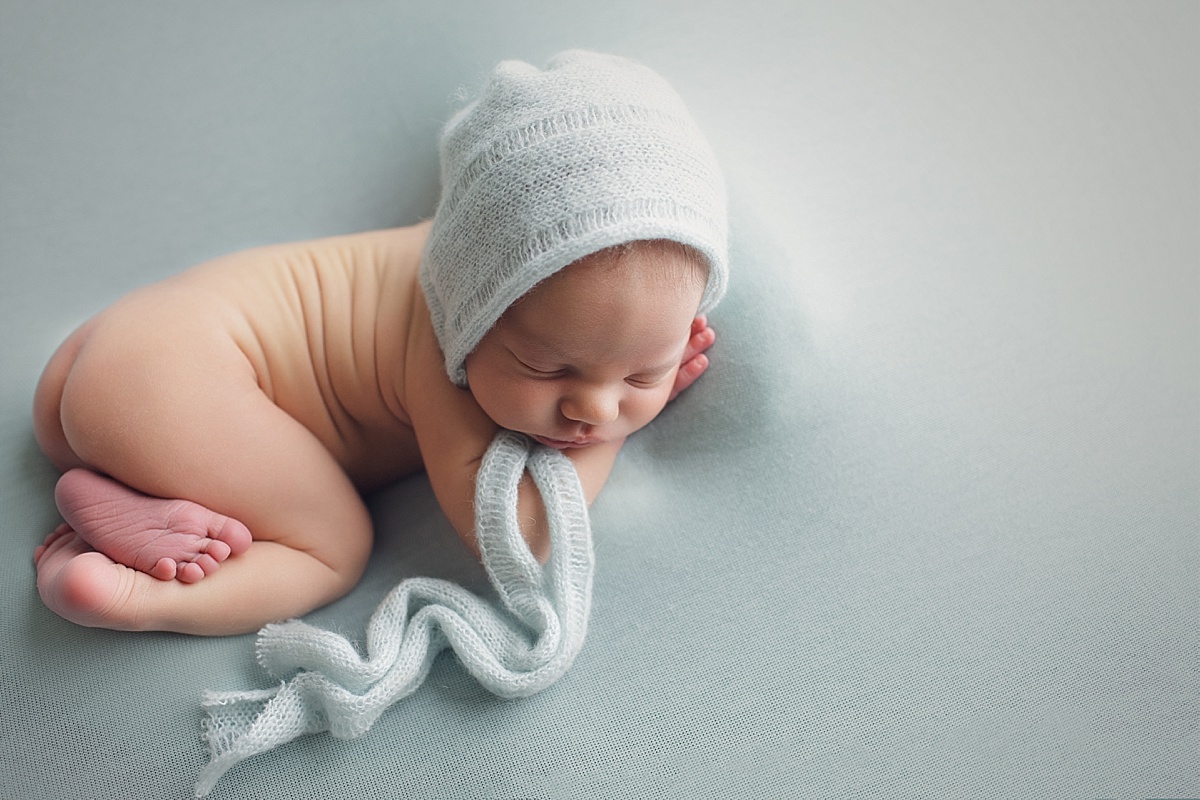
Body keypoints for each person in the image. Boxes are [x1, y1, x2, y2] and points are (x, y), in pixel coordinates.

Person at [30, 50, 729, 636]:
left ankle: (131, 488)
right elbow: (521, 540)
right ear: (473, 303)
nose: (595, 408)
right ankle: (121, 596)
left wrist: (609, 380)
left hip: (104, 361)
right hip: (182, 379)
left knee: (133, 434)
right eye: (550, 369)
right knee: (334, 545)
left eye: (645, 374)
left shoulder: (493, 254)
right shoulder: (448, 342)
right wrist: (615, 437)